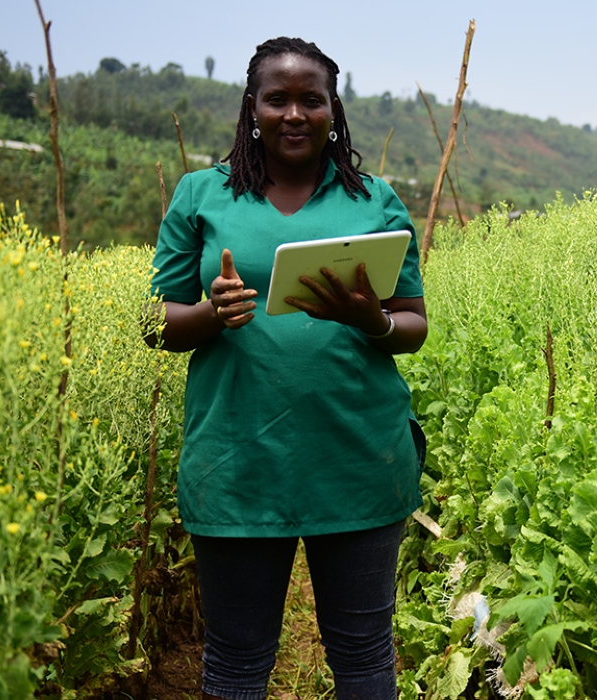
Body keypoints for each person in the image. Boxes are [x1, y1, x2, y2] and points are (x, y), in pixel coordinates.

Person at [144, 36, 427, 700]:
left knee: (362, 654)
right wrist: (214, 313)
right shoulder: (200, 195)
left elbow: (412, 323)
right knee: (237, 661)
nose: (294, 114)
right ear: (252, 108)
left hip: (359, 457)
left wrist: (373, 321)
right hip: (238, 461)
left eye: (311, 100)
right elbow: (155, 322)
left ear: (334, 110)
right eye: (278, 99)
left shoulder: (375, 200)